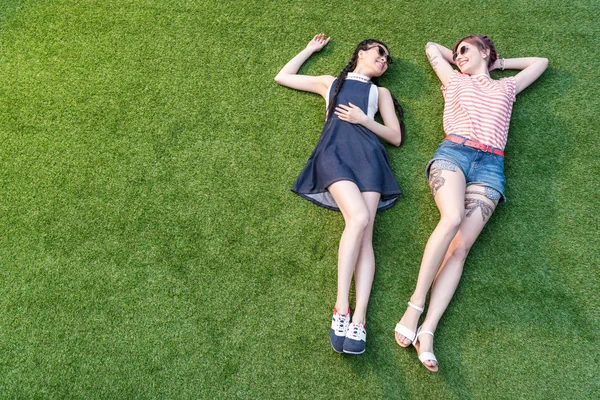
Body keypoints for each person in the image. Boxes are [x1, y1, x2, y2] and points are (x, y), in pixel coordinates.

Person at [393, 35, 548, 371]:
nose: (458, 55)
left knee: (460, 247)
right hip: (455, 154)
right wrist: (458, 59)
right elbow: (431, 47)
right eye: (457, 52)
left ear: (485, 52)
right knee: (450, 219)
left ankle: (428, 332)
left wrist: (497, 63)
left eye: (465, 49)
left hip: (491, 166)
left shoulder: (507, 87)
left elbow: (541, 63)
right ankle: (416, 305)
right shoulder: (453, 79)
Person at [275, 34, 406, 354]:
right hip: (334, 156)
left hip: (370, 161)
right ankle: (340, 309)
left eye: (387, 60)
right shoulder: (331, 83)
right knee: (359, 218)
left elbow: (395, 136)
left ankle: (359, 318)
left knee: (365, 234)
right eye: (380, 53)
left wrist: (364, 120)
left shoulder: (380, 92)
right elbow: (283, 76)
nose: (384, 60)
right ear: (361, 53)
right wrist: (308, 49)